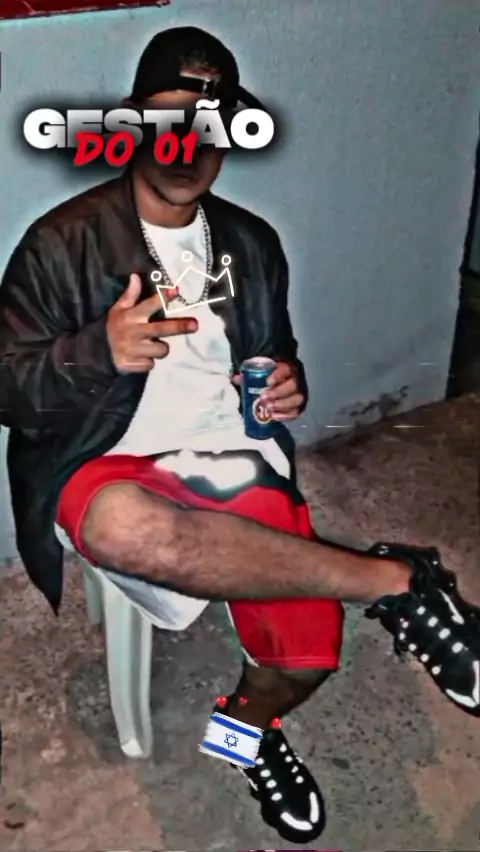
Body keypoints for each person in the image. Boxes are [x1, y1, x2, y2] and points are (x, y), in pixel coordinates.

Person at [0, 25, 479, 845]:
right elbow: (10, 385)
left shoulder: (253, 242)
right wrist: (96, 352)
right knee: (123, 527)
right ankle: (398, 583)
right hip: (106, 463)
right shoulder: (61, 242)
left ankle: (244, 733)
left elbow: (273, 349)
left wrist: (286, 381)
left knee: (304, 661)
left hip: (233, 458)